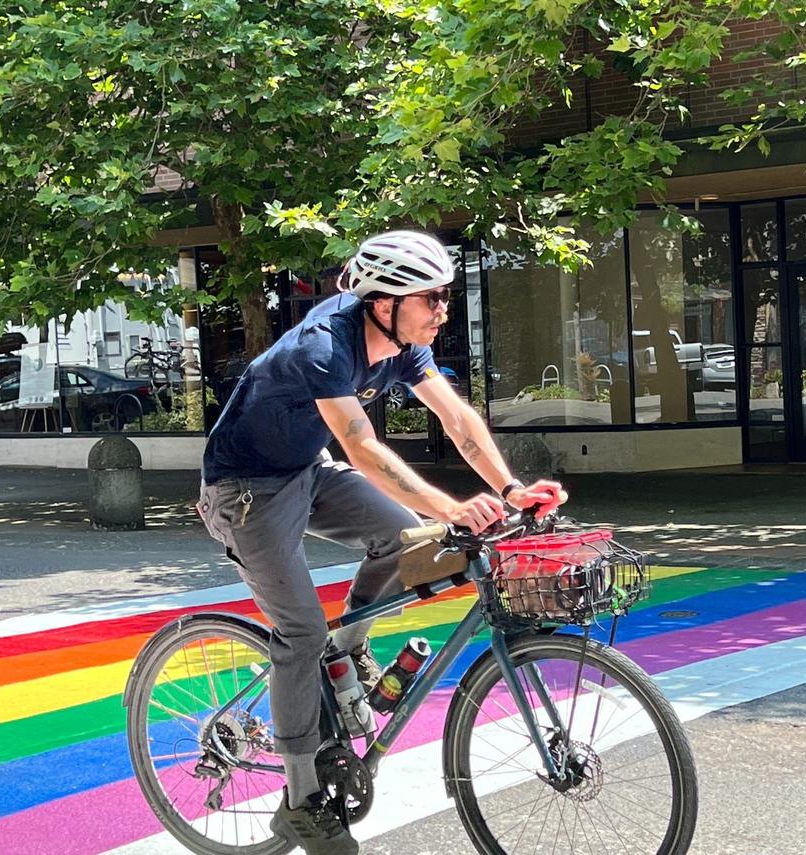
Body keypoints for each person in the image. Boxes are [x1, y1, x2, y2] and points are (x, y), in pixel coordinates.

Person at [196, 230, 564, 854]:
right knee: (301, 636)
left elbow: (456, 418)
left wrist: (509, 490)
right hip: (245, 490)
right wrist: (452, 507)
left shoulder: (402, 343)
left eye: (446, 295)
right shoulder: (323, 347)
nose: (444, 309)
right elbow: (363, 447)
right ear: (385, 302)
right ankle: (301, 801)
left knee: (402, 537)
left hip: (304, 470)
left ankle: (349, 650)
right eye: (434, 298)